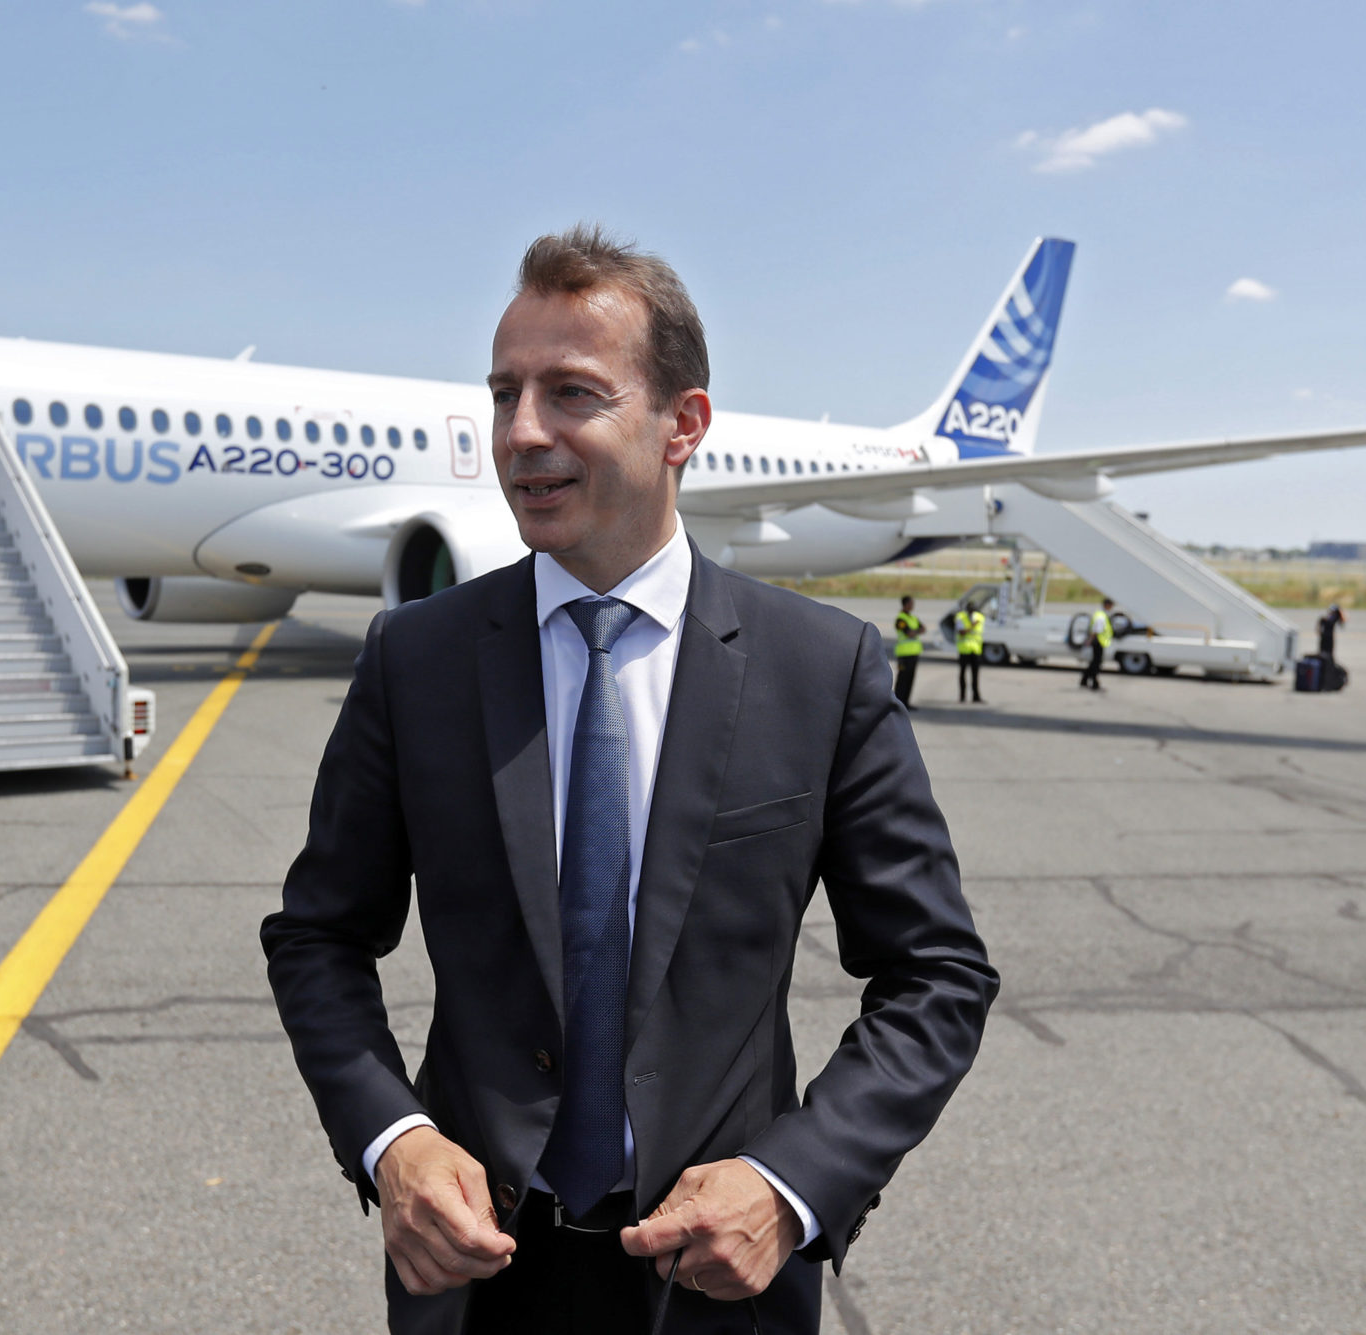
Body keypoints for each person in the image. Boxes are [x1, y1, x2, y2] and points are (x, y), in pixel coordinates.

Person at [262, 227, 998, 1335]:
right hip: (472, 1276)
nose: (521, 431)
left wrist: (791, 1183)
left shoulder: (819, 670)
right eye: (504, 393)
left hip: (718, 1278)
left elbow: (936, 973)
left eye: (571, 393)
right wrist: (393, 1141)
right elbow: (318, 935)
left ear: (680, 424)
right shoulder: (415, 660)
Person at [892, 595, 923, 710]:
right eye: (911, 603)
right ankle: (898, 703)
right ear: (905, 604)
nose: (912, 605)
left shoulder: (913, 618)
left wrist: (914, 632)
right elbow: (909, 633)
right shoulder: (900, 619)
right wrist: (915, 631)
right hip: (904, 654)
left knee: (910, 679)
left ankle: (906, 702)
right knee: (902, 679)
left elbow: (923, 629)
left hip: (914, 653)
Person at [954, 602, 986, 704]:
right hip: (964, 649)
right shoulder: (960, 617)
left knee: (975, 674)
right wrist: (972, 626)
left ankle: (976, 696)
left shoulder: (980, 617)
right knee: (963, 673)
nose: (971, 612)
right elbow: (961, 632)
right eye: (970, 610)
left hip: (976, 649)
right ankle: (962, 696)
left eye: (973, 610)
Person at [1080, 596, 1113, 691]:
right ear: (1107, 605)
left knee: (1095, 662)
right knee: (1097, 663)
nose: (1111, 608)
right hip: (1098, 641)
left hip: (1098, 641)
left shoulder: (1101, 613)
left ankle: (1084, 680)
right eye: (1111, 606)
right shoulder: (1101, 615)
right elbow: (1096, 630)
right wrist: (1090, 640)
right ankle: (1094, 683)